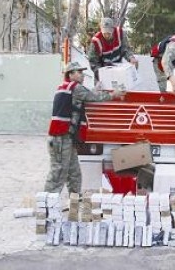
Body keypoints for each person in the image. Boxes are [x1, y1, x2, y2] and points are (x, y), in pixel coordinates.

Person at [44, 62, 126, 194]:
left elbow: (86, 95)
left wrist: (96, 88)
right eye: (79, 72)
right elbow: (93, 97)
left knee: (74, 172)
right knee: (59, 172)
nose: (82, 75)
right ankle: (47, 202)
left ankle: (75, 201)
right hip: (61, 139)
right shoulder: (75, 88)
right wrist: (113, 94)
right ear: (70, 74)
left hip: (66, 138)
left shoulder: (67, 87)